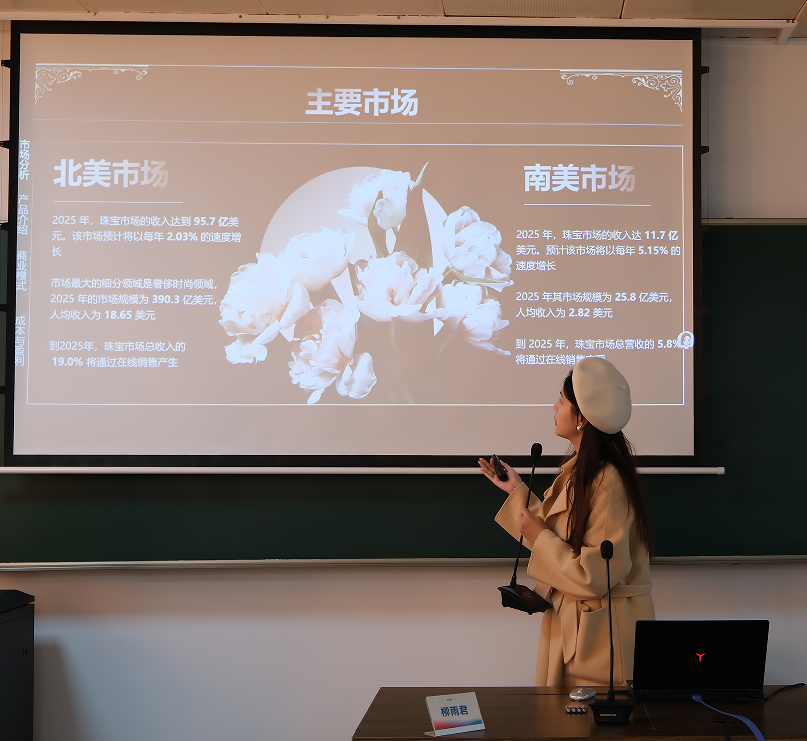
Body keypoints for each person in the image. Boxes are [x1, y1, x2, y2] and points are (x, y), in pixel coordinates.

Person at [479, 356, 654, 687]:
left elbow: (594, 575)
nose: (554, 407)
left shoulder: (607, 481)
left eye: (560, 400)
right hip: (580, 627)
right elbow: (561, 538)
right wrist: (516, 490)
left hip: (600, 639)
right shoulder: (582, 472)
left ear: (582, 417)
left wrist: (540, 536)